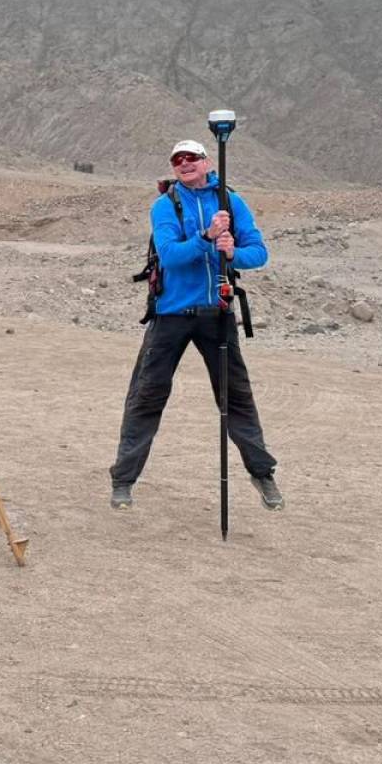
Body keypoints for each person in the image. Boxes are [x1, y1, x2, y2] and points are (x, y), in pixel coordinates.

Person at [108, 138, 283, 511]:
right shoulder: (165, 206)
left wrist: (233, 252)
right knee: (147, 395)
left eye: (191, 158)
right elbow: (170, 256)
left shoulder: (230, 202)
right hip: (171, 314)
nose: (184, 163)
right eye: (177, 160)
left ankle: (262, 473)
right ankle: (123, 480)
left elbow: (259, 253)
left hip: (216, 313)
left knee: (237, 397)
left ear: (207, 162)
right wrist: (206, 238)